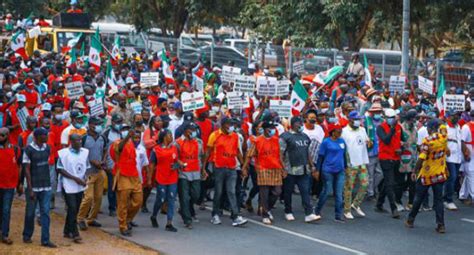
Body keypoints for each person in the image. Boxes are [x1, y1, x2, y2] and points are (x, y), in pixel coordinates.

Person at [405, 120, 448, 233]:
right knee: (438, 200)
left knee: (418, 198)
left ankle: (410, 220)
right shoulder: (443, 137)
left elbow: (421, 158)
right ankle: (441, 225)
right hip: (439, 174)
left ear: (430, 128)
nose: (427, 130)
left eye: (428, 128)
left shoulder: (427, 140)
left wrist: (415, 171)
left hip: (427, 175)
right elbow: (443, 124)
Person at [204, 117, 247, 227]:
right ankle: (215, 214)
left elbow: (237, 151)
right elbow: (208, 151)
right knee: (218, 192)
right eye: (229, 124)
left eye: (232, 124)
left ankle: (235, 216)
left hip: (232, 167)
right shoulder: (214, 135)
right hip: (218, 167)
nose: (231, 126)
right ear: (223, 125)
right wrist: (203, 167)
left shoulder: (235, 136)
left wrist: (242, 166)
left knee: (231, 191)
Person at [279, 117, 320, 222]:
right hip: (290, 169)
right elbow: (280, 154)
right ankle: (288, 211)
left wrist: (312, 167)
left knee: (305, 191)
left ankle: (309, 213)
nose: (301, 125)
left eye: (302, 123)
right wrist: (283, 169)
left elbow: (308, 153)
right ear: (293, 124)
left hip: (304, 169)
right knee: (288, 192)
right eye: (298, 123)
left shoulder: (305, 137)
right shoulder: (285, 137)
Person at [243, 121, 284, 225]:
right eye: (270, 128)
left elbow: (280, 156)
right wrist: (245, 167)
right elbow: (249, 154)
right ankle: (265, 214)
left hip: (275, 169)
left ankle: (266, 208)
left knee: (277, 191)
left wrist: (283, 168)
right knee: (264, 193)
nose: (273, 130)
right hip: (263, 169)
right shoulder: (258, 141)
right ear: (265, 129)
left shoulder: (276, 140)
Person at [22, 128, 56, 248]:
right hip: (33, 187)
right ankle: (27, 235)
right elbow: (26, 169)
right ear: (37, 137)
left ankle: (45, 240)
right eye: (44, 135)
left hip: (46, 186)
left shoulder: (47, 148)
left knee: (45, 213)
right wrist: (30, 189)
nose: (47, 137)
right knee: (30, 213)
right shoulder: (28, 150)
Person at [109, 125, 144, 236]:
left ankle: (128, 219)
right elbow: (119, 148)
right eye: (124, 130)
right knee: (122, 204)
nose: (127, 132)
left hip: (134, 176)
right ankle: (123, 226)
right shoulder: (117, 142)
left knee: (138, 201)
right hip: (123, 176)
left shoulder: (132, 143)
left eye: (128, 130)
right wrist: (127, 137)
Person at [57, 134, 89, 243]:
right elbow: (60, 169)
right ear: (71, 141)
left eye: (80, 140)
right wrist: (75, 178)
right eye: (77, 140)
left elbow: (86, 167)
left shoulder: (85, 152)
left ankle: (67, 230)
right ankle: (75, 233)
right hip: (68, 184)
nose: (79, 142)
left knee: (75, 208)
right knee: (72, 207)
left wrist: (84, 179)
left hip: (80, 184)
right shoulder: (64, 153)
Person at [77, 117, 107, 230]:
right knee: (88, 197)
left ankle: (91, 219)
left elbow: (105, 150)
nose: (99, 126)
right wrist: (91, 161)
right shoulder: (84, 139)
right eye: (97, 124)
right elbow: (79, 155)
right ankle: (80, 218)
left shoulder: (102, 138)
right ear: (90, 125)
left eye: (100, 124)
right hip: (87, 172)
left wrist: (103, 160)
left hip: (99, 171)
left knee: (98, 198)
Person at [341, 110, 370, 219]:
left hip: (362, 162)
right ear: (350, 120)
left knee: (365, 184)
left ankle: (356, 204)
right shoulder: (344, 132)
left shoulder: (362, 130)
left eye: (359, 119)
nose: (358, 121)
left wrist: (369, 142)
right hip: (351, 163)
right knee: (349, 187)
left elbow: (366, 141)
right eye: (356, 119)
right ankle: (347, 209)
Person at [375, 108, 404, 219]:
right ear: (385, 118)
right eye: (390, 118)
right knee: (390, 183)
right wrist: (392, 128)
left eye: (393, 118)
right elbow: (386, 140)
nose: (392, 120)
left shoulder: (399, 127)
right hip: (385, 158)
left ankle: (379, 203)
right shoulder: (380, 128)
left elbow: (401, 140)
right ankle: (393, 208)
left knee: (388, 182)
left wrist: (400, 148)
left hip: (396, 157)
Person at [314, 124, 346, 223]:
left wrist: (345, 167)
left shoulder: (342, 141)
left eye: (341, 130)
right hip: (328, 170)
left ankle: (338, 215)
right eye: (338, 130)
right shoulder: (326, 142)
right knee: (327, 191)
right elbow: (320, 157)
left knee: (339, 193)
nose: (340, 132)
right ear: (332, 132)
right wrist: (317, 170)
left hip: (340, 170)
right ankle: (317, 210)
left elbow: (344, 155)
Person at [175, 122, 205, 229]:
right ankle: (187, 220)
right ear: (185, 130)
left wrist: (203, 169)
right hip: (183, 173)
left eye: (195, 129)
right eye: (191, 130)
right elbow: (175, 158)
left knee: (196, 195)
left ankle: (183, 209)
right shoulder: (178, 142)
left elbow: (202, 156)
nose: (194, 132)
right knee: (184, 197)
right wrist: (180, 163)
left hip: (196, 172)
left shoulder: (199, 142)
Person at [149, 129, 179, 232]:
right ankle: (153, 215)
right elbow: (152, 165)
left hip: (172, 177)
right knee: (161, 199)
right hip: (161, 177)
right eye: (169, 135)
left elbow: (177, 161)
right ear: (164, 137)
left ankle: (169, 223)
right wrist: (149, 179)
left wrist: (178, 165)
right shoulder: (156, 149)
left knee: (171, 199)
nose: (171, 136)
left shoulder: (174, 148)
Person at [0, 127, 20, 245]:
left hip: (9, 185)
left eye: (2, 135)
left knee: (6, 210)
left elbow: (19, 166)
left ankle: (5, 234)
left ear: (7, 136)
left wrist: (19, 183)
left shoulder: (15, 149)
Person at [104, 114, 124, 217]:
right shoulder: (106, 134)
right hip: (111, 164)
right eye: (117, 122)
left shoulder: (123, 133)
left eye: (120, 122)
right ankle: (112, 207)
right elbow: (104, 149)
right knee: (112, 187)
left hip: (122, 163)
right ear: (112, 123)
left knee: (121, 187)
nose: (118, 124)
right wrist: (106, 163)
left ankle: (120, 206)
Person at [364, 103, 384, 200]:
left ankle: (373, 188)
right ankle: (370, 193)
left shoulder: (383, 121)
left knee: (380, 173)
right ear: (372, 113)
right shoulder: (366, 121)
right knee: (370, 174)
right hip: (370, 151)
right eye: (376, 112)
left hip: (381, 151)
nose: (377, 113)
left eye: (379, 112)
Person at [459, 110, 474, 204]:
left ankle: (463, 195)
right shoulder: (466, 126)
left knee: (469, 175)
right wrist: (465, 153)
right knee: (471, 174)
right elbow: (462, 141)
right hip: (469, 151)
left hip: (471, 151)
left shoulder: (466, 126)